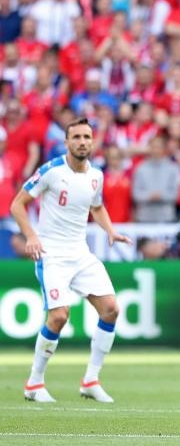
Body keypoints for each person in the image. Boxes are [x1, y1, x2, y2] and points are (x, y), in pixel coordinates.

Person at [9, 118, 133, 403]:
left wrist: (111, 231)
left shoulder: (96, 176)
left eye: (87, 137)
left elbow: (97, 206)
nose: (82, 142)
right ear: (66, 142)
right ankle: (34, 383)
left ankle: (91, 379)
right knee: (59, 315)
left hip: (81, 253)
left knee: (111, 309)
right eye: (76, 137)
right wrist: (31, 236)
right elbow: (17, 204)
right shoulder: (51, 170)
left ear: (93, 141)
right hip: (51, 253)